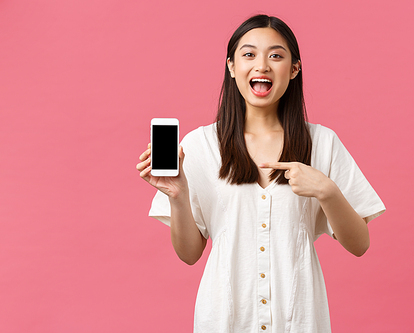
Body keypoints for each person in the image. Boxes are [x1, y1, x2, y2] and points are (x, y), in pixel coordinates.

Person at [136, 14, 385, 333]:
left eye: (276, 55)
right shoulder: (200, 146)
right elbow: (189, 254)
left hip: (298, 320)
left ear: (294, 69)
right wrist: (178, 196)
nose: (262, 65)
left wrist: (327, 191)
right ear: (231, 67)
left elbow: (359, 244)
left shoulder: (322, 143)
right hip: (224, 321)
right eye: (249, 54)